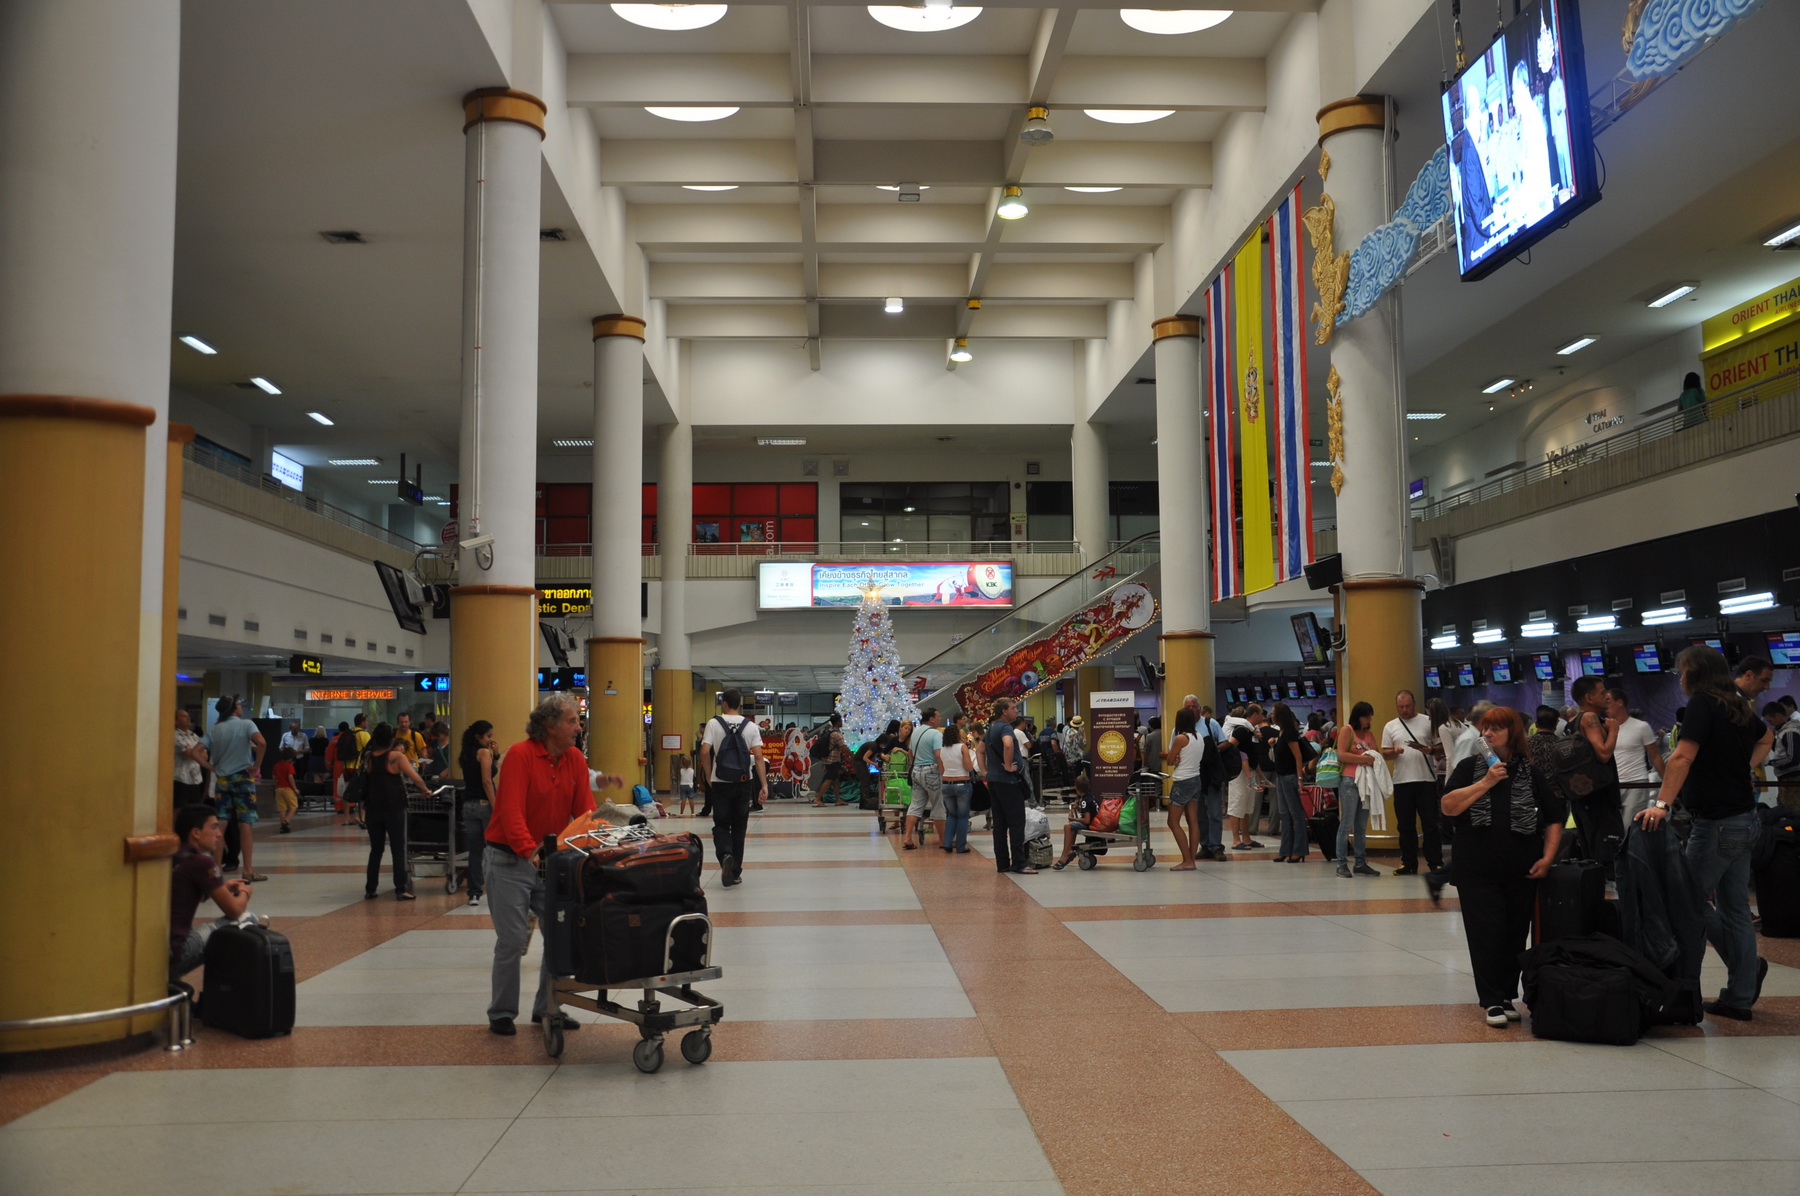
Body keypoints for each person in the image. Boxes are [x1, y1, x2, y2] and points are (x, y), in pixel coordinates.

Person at [1635, 645, 1773, 1021]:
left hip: (1717, 825)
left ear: (1694, 673)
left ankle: (1745, 971)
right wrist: (1742, 767)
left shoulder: (1703, 704)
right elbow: (1767, 738)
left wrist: (1661, 805)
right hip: (1746, 820)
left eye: (1681, 672)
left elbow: (1681, 756)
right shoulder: (1739, 705)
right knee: (1736, 911)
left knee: (1687, 900)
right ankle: (1740, 994)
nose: (1679, 679)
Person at [486, 693, 617, 1036]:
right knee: (512, 939)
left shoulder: (574, 758)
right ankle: (501, 1011)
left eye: (577, 720)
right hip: (510, 859)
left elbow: (585, 814)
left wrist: (603, 842)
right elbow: (510, 811)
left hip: (553, 860)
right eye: (572, 721)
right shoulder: (520, 755)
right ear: (549, 725)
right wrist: (530, 851)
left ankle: (548, 1007)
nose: (578, 727)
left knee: (562, 934)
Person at [1441, 705, 1566, 1027]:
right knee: (1486, 934)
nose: (1488, 734)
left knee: (1513, 934)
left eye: (1496, 729)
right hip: (1477, 869)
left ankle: (1507, 995)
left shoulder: (1530, 773)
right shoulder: (1470, 768)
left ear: (1513, 733)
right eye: (1485, 728)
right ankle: (1491, 1000)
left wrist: (1548, 857)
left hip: (1520, 867)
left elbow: (1554, 818)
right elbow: (1449, 806)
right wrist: (1485, 782)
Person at [169, 803, 254, 981]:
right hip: (178, 950)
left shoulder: (174, 855)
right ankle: (225, 991)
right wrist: (245, 892)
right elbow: (234, 910)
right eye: (213, 827)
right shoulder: (203, 862)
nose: (219, 834)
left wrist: (223, 886)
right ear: (196, 833)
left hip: (158, 949)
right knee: (247, 919)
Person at [699, 688, 766, 888]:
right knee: (739, 828)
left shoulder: (713, 723)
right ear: (739, 705)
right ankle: (735, 872)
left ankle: (725, 854)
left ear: (725, 704)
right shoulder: (751, 726)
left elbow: (704, 752)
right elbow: (759, 757)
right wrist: (763, 785)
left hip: (720, 782)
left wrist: (710, 776)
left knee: (721, 825)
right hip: (744, 782)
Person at [359, 722, 429, 901]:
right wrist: (425, 790)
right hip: (393, 808)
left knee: (376, 850)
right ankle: (401, 889)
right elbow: (415, 778)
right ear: (391, 739)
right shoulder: (396, 757)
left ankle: (370, 889)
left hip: (373, 809)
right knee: (398, 849)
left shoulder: (368, 757)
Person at [206, 696, 267, 883]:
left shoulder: (214, 729)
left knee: (220, 824)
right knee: (245, 824)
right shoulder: (246, 724)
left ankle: (217, 871)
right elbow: (262, 743)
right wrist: (256, 765)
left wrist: (211, 767)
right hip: (242, 779)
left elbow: (195, 752)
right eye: (239, 704)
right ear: (234, 708)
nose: (241, 707)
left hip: (222, 780)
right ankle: (248, 870)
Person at [1380, 690, 1441, 877]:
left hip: (1426, 780)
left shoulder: (1428, 721)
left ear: (1414, 704)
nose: (1405, 710)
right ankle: (1408, 863)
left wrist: (1430, 749)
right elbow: (1384, 752)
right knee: (1405, 826)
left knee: (1430, 824)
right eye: (1401, 707)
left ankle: (1435, 863)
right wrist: (1395, 752)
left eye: (1407, 706)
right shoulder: (1390, 726)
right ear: (1396, 706)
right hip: (1402, 781)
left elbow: (1440, 746)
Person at [1567, 676, 1624, 871]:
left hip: (1583, 799)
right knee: (1608, 858)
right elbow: (1603, 754)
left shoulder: (1572, 722)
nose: (1607, 696)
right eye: (1602, 692)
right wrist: (1614, 730)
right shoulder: (1590, 718)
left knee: (1591, 857)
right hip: (1600, 799)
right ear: (1589, 698)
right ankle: (1610, 899)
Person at [984, 699, 1035, 874]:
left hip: (994, 781)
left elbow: (980, 749)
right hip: (1009, 781)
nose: (1017, 711)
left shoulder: (991, 729)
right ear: (1004, 711)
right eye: (1013, 708)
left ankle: (1003, 863)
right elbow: (1008, 744)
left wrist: (985, 770)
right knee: (1016, 823)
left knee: (1000, 824)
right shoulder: (1005, 728)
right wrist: (1007, 765)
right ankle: (1019, 863)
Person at [1333, 701, 1382, 877]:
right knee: (1346, 823)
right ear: (1358, 716)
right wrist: (1364, 758)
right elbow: (1342, 754)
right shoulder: (1347, 730)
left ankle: (1360, 862)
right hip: (1349, 781)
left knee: (1361, 825)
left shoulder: (1368, 734)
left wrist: (1370, 758)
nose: (1369, 720)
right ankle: (1341, 863)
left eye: (1370, 716)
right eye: (1366, 716)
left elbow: (1376, 753)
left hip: (1366, 783)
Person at [1608, 687, 1666, 822]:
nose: (1605, 705)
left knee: (1629, 826)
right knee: (1614, 829)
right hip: (1613, 784)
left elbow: (1655, 756)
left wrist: (1667, 783)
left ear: (1619, 702)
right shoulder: (1605, 728)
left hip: (1636, 783)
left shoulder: (1641, 726)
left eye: (1608, 701)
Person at [456, 720, 498, 907]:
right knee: (493, 848)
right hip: (484, 805)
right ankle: (495, 888)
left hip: (468, 805)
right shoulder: (483, 753)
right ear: (478, 736)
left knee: (475, 850)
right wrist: (496, 806)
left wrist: (495, 756)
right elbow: (487, 781)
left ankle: (473, 892)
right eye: (488, 736)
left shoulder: (466, 754)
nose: (491, 739)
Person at [1162, 708, 1206, 870]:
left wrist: (1175, 758)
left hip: (1182, 782)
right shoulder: (1199, 737)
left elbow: (1170, 760)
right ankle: (1191, 860)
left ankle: (1187, 860)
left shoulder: (1181, 738)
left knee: (1172, 822)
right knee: (1192, 821)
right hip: (1196, 779)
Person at [1268, 702, 1310, 863]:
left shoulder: (1290, 733)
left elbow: (1298, 756)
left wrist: (1300, 779)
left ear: (1280, 715)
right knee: (1284, 814)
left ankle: (1299, 850)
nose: (1271, 715)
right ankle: (1285, 849)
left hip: (1290, 777)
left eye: (1273, 713)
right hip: (1281, 776)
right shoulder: (1281, 732)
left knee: (1296, 814)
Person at [903, 708, 945, 850]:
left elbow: (910, 752)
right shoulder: (936, 733)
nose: (940, 718)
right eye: (938, 716)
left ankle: (907, 837)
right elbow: (938, 754)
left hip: (916, 771)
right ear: (931, 719)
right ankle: (942, 840)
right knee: (938, 805)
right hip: (931, 771)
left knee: (915, 805)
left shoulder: (916, 732)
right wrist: (942, 770)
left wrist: (913, 765)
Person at [936, 723, 976, 854]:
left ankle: (947, 843)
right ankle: (960, 846)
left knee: (951, 815)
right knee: (963, 817)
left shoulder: (942, 749)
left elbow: (941, 770)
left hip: (947, 784)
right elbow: (969, 767)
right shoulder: (962, 747)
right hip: (962, 784)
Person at [1223, 723, 1262, 851]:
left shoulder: (1251, 733)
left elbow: (1252, 758)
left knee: (1246, 806)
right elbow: (1234, 750)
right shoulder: (1240, 732)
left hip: (1249, 772)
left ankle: (1246, 838)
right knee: (1237, 805)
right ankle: (1235, 840)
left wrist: (1259, 776)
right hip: (1239, 773)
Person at [1049, 775, 1100, 870]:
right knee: (1073, 827)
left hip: (1091, 826)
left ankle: (1066, 853)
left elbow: (1087, 820)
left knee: (1068, 826)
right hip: (1095, 823)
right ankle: (1068, 851)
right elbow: (1089, 812)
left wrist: (1072, 819)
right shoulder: (1090, 797)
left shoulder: (1085, 801)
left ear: (1076, 788)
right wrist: (1078, 808)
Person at [174, 709, 209, 808]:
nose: (188, 718)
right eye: (184, 716)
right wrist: (196, 753)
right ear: (176, 721)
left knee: (195, 810)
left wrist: (194, 753)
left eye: (188, 715)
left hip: (195, 779)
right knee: (179, 810)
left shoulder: (194, 736)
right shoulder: (174, 735)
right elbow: (187, 754)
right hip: (181, 780)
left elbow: (205, 756)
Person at [812, 713, 849, 807]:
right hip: (832, 760)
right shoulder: (837, 734)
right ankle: (818, 799)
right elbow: (843, 747)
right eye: (840, 720)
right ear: (837, 722)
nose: (842, 722)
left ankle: (838, 799)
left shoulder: (829, 731)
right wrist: (852, 756)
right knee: (829, 779)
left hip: (828, 759)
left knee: (835, 779)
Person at [272, 748, 299, 834]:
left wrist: (275, 786)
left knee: (282, 808)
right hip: (287, 789)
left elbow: (274, 778)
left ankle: (283, 828)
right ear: (291, 757)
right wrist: (295, 788)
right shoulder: (289, 765)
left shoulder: (276, 765)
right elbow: (290, 777)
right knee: (293, 806)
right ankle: (286, 822)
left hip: (278, 789)